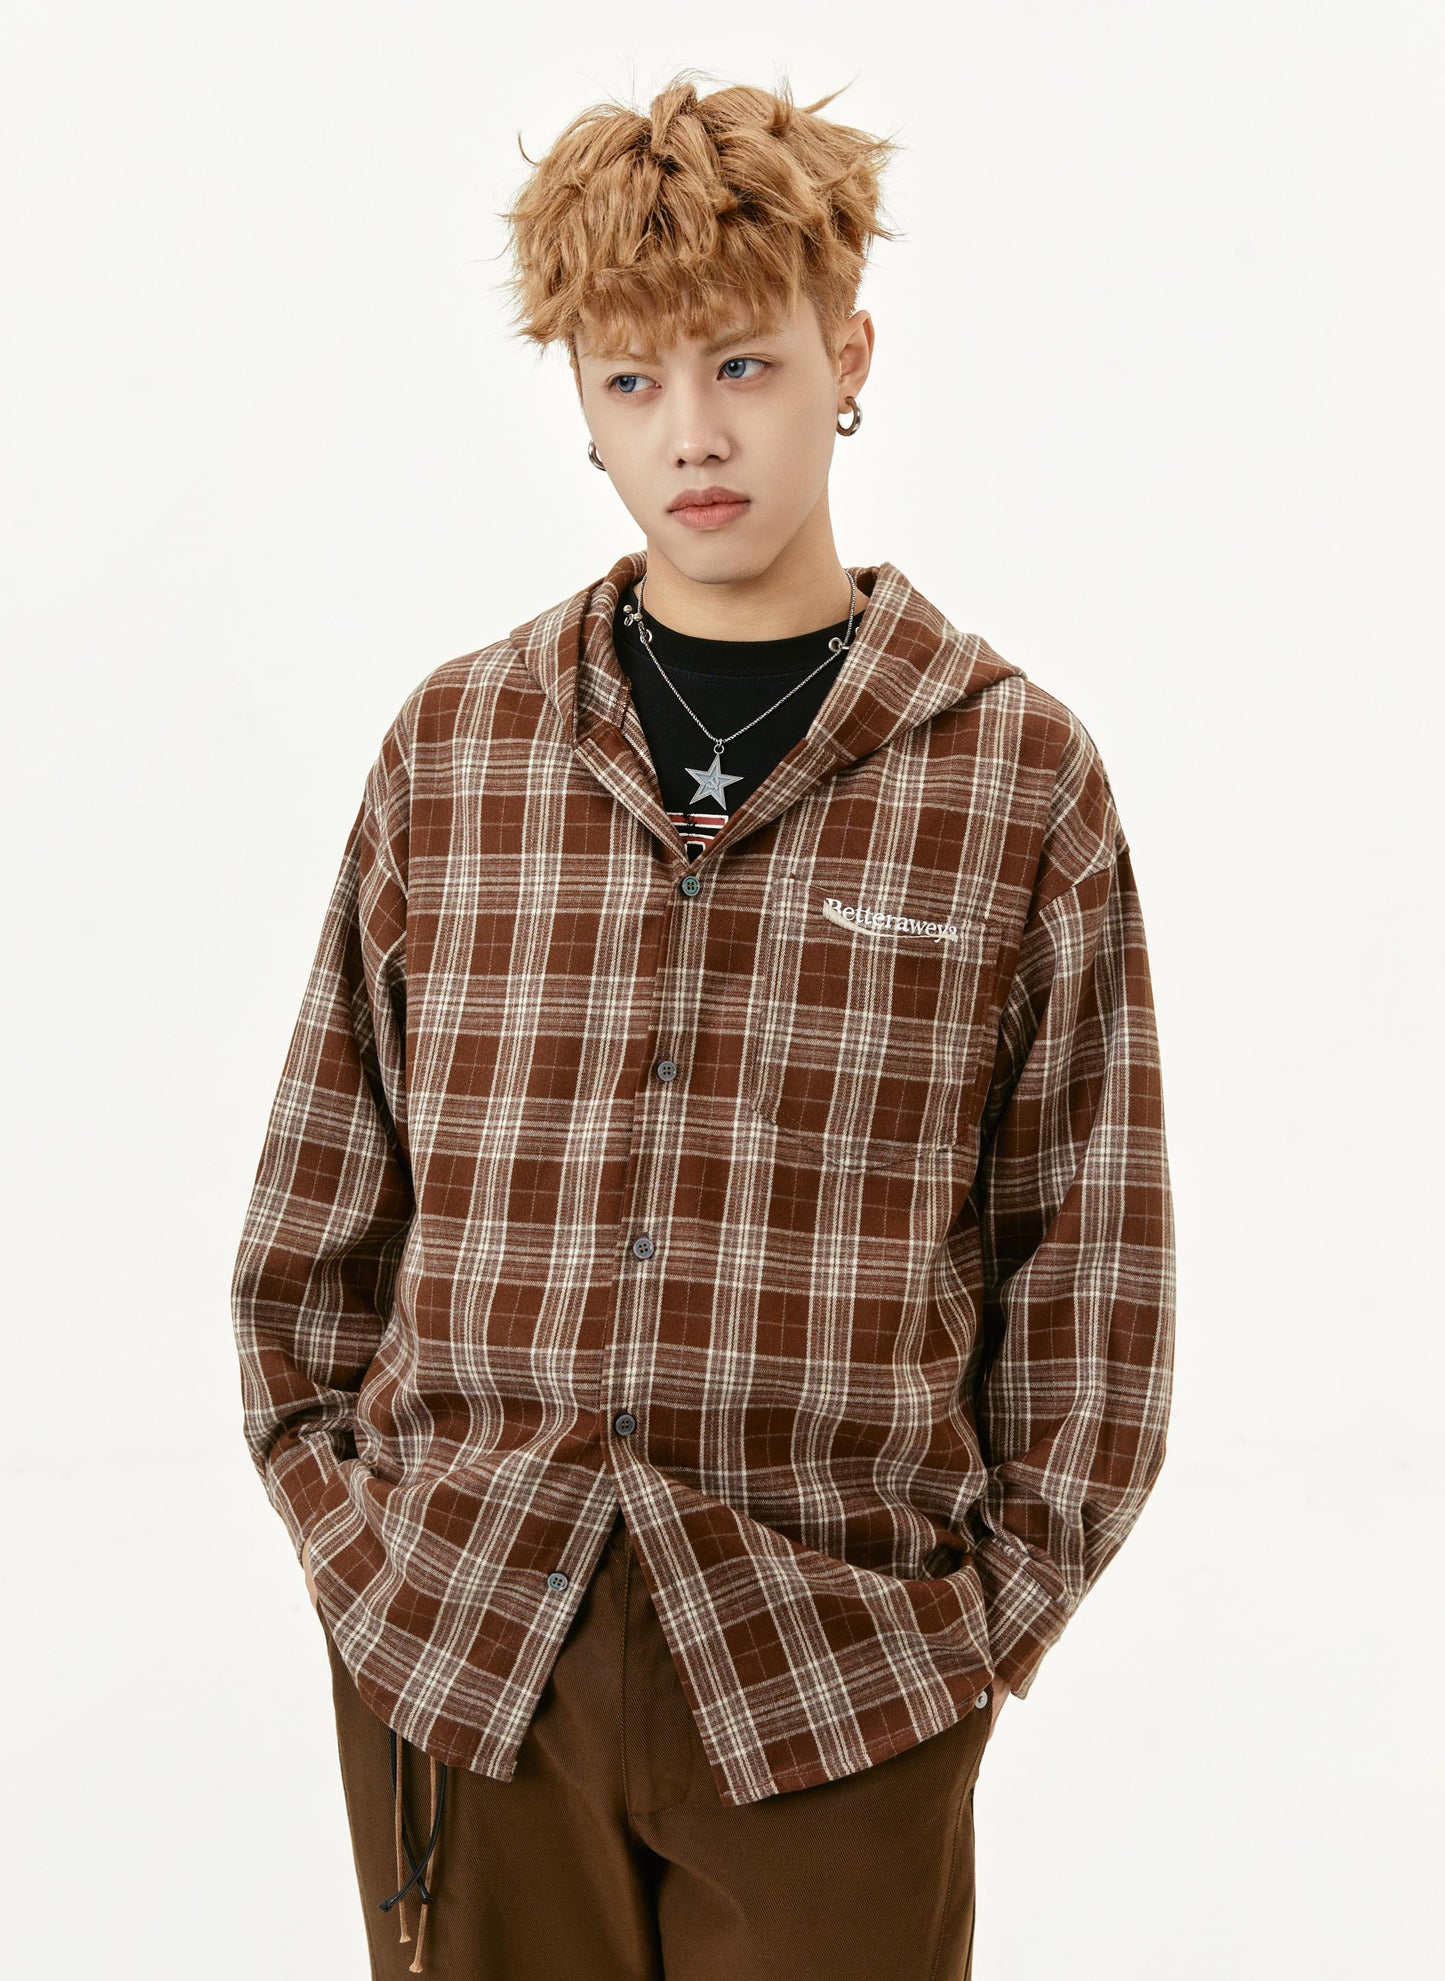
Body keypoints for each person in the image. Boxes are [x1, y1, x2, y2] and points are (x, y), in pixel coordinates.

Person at [231, 69, 1176, 1980]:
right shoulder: (458, 750)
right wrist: (363, 1550)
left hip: (835, 1673)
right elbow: (320, 1210)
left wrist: (975, 1630)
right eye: (632, 380)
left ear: (847, 357)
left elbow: (1092, 1256)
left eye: (742, 364)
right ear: (580, 407)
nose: (694, 432)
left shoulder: (1010, 776)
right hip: (467, 1653)